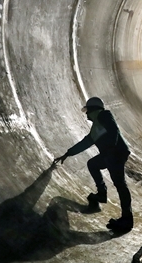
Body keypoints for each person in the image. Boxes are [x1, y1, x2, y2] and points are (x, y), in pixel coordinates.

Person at [53, 97, 134, 233]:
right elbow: (85, 143)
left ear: (93, 110)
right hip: (110, 155)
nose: (86, 114)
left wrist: (111, 152)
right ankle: (101, 194)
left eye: (88, 111)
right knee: (93, 164)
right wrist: (68, 153)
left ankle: (127, 219)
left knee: (120, 184)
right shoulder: (96, 127)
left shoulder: (104, 115)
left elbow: (114, 131)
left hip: (116, 154)